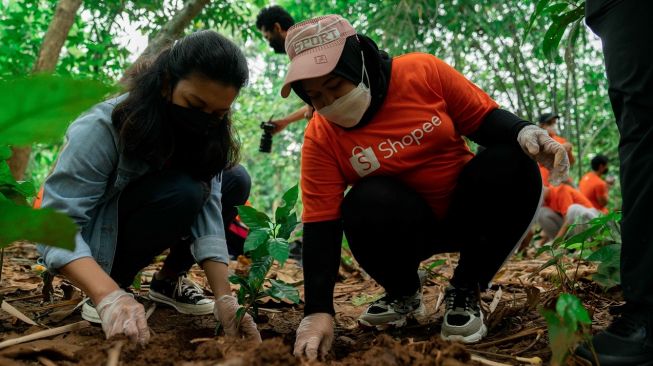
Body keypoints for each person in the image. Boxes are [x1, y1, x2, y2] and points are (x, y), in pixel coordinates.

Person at [279, 15, 569, 360]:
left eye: (335, 87)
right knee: (363, 202)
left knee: (512, 161)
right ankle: (403, 292)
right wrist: (317, 311)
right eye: (316, 97)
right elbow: (321, 226)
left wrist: (525, 131)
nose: (329, 103)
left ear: (359, 65)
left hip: (469, 212)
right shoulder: (321, 137)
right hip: (406, 227)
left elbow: (484, 120)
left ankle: (467, 287)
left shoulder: (422, 72)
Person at [36, 30, 261, 344]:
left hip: (163, 206)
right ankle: (108, 285)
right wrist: (108, 295)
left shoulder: (208, 137)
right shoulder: (102, 128)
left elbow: (210, 212)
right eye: (195, 106)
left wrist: (226, 299)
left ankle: (168, 282)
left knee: (236, 179)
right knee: (185, 192)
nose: (204, 121)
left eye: (218, 114)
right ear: (166, 83)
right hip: (93, 248)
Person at [575, 1, 653, 365]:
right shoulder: (596, 182)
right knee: (645, 121)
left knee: (644, 122)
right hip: (578, 211)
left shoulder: (591, 179)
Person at [255, 5, 312, 134]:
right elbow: (316, 101)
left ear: (277, 28)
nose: (269, 44)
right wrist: (285, 121)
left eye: (267, 37)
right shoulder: (301, 48)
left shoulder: (303, 48)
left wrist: (311, 111)